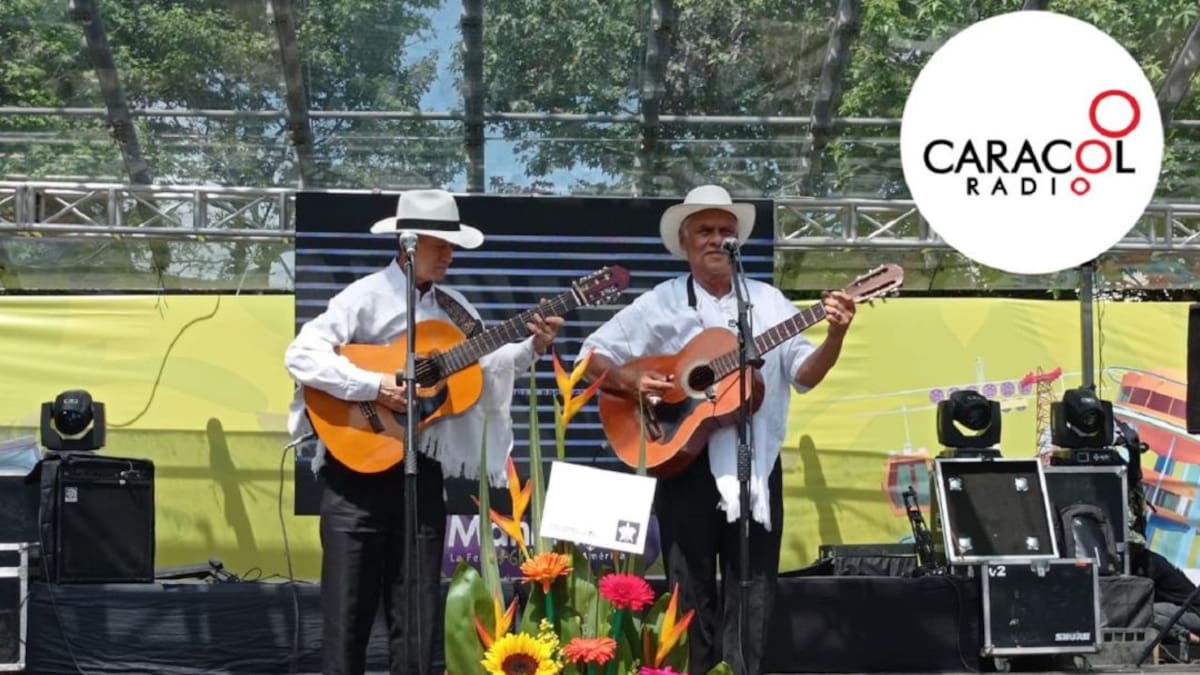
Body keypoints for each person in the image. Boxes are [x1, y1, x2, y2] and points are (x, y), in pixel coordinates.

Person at [284, 189, 563, 675]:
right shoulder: (364, 297)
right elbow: (302, 356)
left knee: (417, 619)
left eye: (453, 246)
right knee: (346, 619)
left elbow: (485, 364)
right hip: (356, 475)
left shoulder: (455, 307)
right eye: (441, 245)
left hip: (422, 472)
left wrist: (532, 346)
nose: (450, 255)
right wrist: (374, 386)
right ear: (408, 244)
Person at [580, 185, 856, 675]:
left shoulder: (768, 303)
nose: (717, 239)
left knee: (753, 591)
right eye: (705, 231)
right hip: (682, 460)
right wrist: (630, 379)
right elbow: (590, 356)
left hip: (756, 467)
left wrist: (835, 334)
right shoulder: (660, 303)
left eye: (726, 231)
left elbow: (805, 374)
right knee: (689, 593)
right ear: (685, 243)